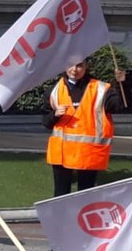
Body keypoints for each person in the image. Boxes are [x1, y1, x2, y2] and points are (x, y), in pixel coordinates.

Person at [42, 54, 127, 197]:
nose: (74, 69)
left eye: (79, 65)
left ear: (86, 66)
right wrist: (54, 115)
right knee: (61, 196)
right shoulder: (54, 91)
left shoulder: (100, 89)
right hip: (62, 154)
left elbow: (120, 106)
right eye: (70, 64)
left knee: (85, 197)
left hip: (89, 154)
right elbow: (46, 122)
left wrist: (123, 84)